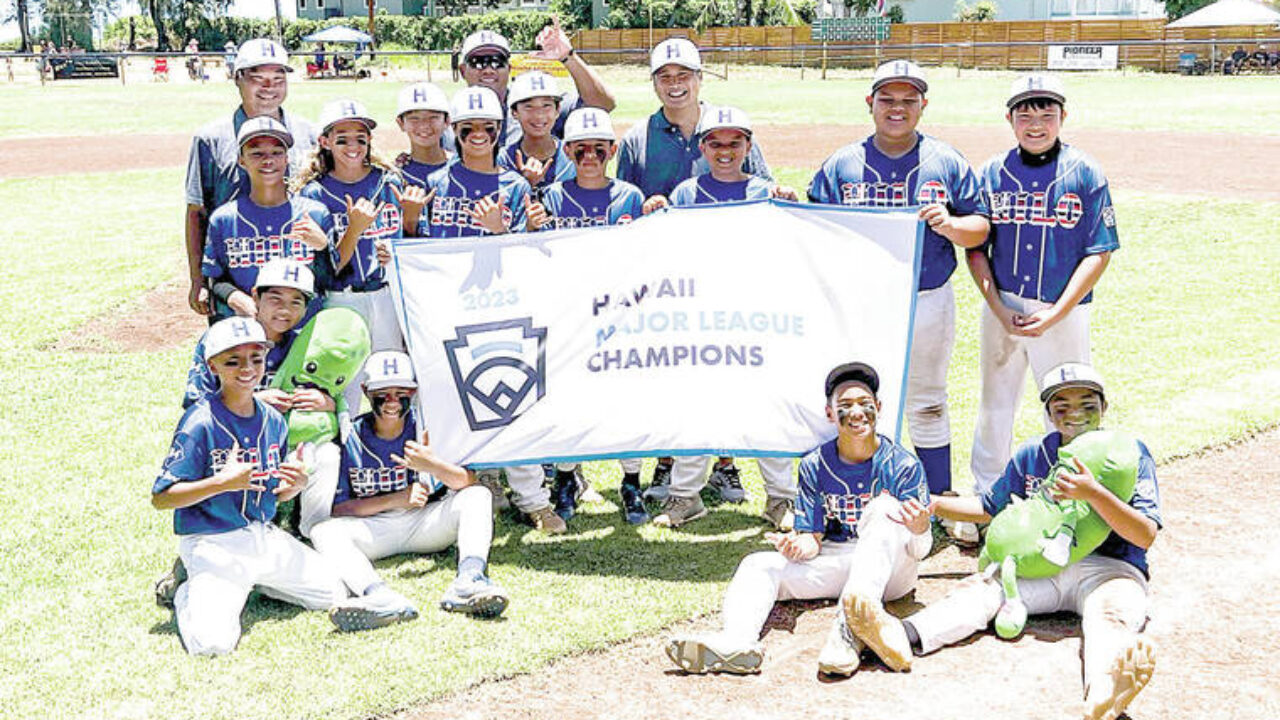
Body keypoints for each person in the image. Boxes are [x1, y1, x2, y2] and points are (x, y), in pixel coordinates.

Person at [893, 362, 1159, 720]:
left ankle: (1106, 693)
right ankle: (899, 635)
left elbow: (1145, 534)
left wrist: (1094, 494)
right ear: (1049, 412)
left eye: (1087, 404)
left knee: (1110, 618)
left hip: (1112, 570)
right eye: (1061, 406)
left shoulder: (1127, 453)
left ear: (1104, 408)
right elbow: (989, 507)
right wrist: (936, 504)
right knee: (983, 590)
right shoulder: (1034, 454)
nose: (1074, 414)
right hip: (1039, 569)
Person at [664, 362, 932, 676]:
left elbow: (919, 550)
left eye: (865, 404)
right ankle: (736, 641)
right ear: (830, 414)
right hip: (843, 561)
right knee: (757, 564)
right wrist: (796, 545)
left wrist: (919, 527)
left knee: (883, 508)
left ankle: (847, 632)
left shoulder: (902, 464)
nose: (857, 413)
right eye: (845, 406)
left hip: (893, 574)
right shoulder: (815, 465)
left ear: (879, 408)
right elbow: (812, 540)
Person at [808, 59, 990, 508]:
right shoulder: (843, 163)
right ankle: (862, 497)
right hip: (861, 302)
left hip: (927, 296)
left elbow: (981, 228)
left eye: (909, 100)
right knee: (861, 401)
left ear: (923, 106)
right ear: (870, 103)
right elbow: (813, 228)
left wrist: (949, 224)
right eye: (887, 99)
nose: (897, 108)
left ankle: (937, 500)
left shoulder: (944, 161)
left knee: (927, 401)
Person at [615, 37, 774, 503]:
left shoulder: (728, 128)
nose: (675, 84)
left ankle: (725, 465)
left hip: (729, 275)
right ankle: (669, 462)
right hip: (665, 277)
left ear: (700, 79)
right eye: (665, 77)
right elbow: (625, 201)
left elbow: (756, 184)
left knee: (727, 367)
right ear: (654, 84)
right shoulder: (636, 139)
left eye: (684, 75)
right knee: (673, 371)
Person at [151, 317, 357, 655]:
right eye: (233, 360)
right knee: (212, 646)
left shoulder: (273, 420)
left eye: (256, 358)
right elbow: (161, 498)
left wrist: (294, 485)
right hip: (212, 543)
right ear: (212, 365)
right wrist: (221, 482)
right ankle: (188, 590)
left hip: (262, 537)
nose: (246, 368)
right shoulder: (200, 421)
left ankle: (253, 582)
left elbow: (269, 489)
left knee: (335, 594)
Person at [968, 74, 1118, 498]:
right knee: (995, 403)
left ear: (1063, 116)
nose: (1036, 124)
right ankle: (988, 495)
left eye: (1046, 113)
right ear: (1009, 119)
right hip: (1004, 305)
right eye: (1025, 114)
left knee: (1066, 405)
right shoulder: (993, 172)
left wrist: (1057, 313)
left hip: (1064, 309)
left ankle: (1065, 493)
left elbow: (1099, 251)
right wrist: (996, 306)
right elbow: (977, 248)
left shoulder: (1085, 171)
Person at [653, 105, 800, 531]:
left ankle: (780, 498)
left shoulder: (766, 193)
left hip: (755, 315)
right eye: (715, 142)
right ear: (703, 147)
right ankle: (685, 496)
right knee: (697, 407)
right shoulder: (686, 194)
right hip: (702, 315)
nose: (725, 151)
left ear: (748, 146)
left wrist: (793, 206)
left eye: (734, 142)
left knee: (766, 406)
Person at [316, 351, 509, 631]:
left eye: (401, 391)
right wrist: (397, 499)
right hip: (374, 529)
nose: (393, 401)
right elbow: (340, 509)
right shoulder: (351, 436)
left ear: (414, 391)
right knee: (323, 532)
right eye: (384, 392)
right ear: (366, 392)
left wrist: (432, 464)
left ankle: (469, 581)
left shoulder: (427, 428)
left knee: (479, 496)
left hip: (426, 523)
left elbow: (468, 482)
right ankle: (379, 597)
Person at [525, 106, 648, 523]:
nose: (590, 157)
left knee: (626, 398)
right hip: (570, 312)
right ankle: (565, 477)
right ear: (568, 152)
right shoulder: (553, 196)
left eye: (599, 149)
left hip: (618, 312)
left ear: (612, 150)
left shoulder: (629, 196)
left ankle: (631, 481)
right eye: (580, 151)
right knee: (569, 398)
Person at [295, 99, 425, 412]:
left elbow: (410, 245)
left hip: (386, 294)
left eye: (360, 137)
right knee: (346, 386)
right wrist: (354, 230)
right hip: (342, 299)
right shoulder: (314, 193)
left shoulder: (387, 180)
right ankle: (346, 454)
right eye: (342, 139)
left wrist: (407, 225)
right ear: (324, 142)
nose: (353, 145)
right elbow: (330, 267)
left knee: (393, 380)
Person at [186, 38, 316, 319]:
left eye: (278, 78)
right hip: (235, 288)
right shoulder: (211, 138)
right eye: (258, 78)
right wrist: (199, 280)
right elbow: (196, 212)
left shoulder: (309, 134)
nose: (269, 88)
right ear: (238, 79)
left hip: (297, 284)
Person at [200, 116, 334, 322]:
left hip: (305, 328)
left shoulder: (315, 214)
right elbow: (216, 278)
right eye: (256, 153)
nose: (268, 160)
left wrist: (323, 248)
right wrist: (233, 296)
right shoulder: (224, 220)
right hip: (247, 331)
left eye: (277, 152)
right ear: (241, 160)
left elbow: (329, 281)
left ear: (287, 159)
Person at [456, 19, 615, 148]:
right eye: (478, 62)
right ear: (463, 70)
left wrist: (568, 58)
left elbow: (602, 104)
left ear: (509, 68)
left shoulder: (534, 102)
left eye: (497, 61)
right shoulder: (451, 115)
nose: (489, 70)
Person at [499, 71, 576, 195]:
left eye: (546, 106)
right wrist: (525, 184)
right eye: (529, 106)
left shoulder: (574, 157)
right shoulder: (502, 160)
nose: (539, 115)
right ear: (514, 112)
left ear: (558, 110)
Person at [395, 82, 454, 189]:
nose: (424, 125)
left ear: (447, 121)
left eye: (433, 117)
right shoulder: (395, 174)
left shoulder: (461, 165)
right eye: (414, 118)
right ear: (401, 123)